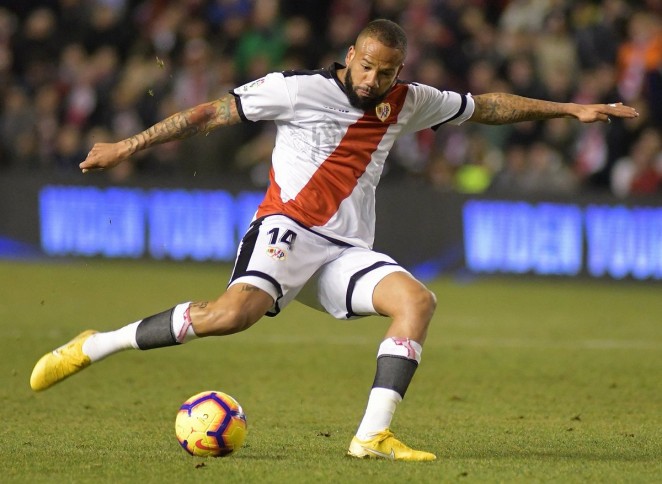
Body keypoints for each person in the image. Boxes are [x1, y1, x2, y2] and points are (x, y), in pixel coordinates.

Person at [30, 19, 638, 461]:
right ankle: (97, 344)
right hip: (286, 230)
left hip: (344, 251)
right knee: (230, 317)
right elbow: (209, 114)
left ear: (400, 70)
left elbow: (488, 107)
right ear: (350, 55)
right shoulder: (296, 89)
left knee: (417, 301)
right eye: (366, 66)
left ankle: (371, 436)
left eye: (387, 71)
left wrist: (568, 109)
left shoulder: (409, 101)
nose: (373, 79)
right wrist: (126, 146)